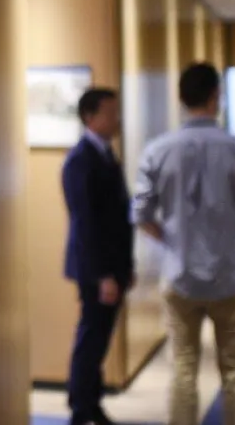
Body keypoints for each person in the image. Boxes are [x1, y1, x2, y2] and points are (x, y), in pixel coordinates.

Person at [131, 63, 235, 425]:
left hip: (179, 275)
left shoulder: (157, 150)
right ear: (216, 96)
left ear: (181, 98)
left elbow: (141, 214)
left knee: (182, 371)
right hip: (231, 274)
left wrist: (171, 239)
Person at [61, 87, 133, 425]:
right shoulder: (80, 160)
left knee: (101, 337)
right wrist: (103, 274)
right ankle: (80, 407)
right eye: (110, 113)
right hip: (95, 268)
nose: (116, 119)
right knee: (91, 337)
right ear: (89, 117)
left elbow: (119, 216)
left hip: (113, 265)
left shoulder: (107, 155)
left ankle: (92, 402)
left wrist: (126, 266)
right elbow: (86, 223)